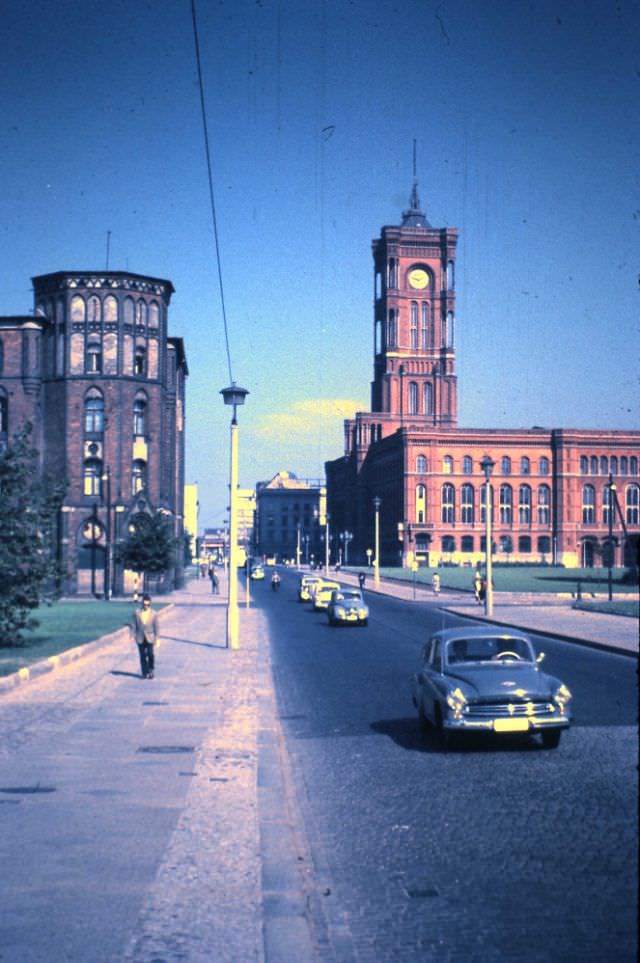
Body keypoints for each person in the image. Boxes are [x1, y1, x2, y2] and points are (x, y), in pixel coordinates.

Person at [130, 593, 159, 679]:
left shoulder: (154, 614)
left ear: (150, 604)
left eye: (148, 605)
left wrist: (157, 638)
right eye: (144, 604)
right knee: (142, 655)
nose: (146, 606)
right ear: (142, 603)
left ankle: (151, 669)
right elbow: (133, 625)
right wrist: (132, 635)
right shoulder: (137, 612)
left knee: (150, 654)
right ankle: (144, 672)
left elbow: (156, 627)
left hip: (150, 637)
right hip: (140, 637)